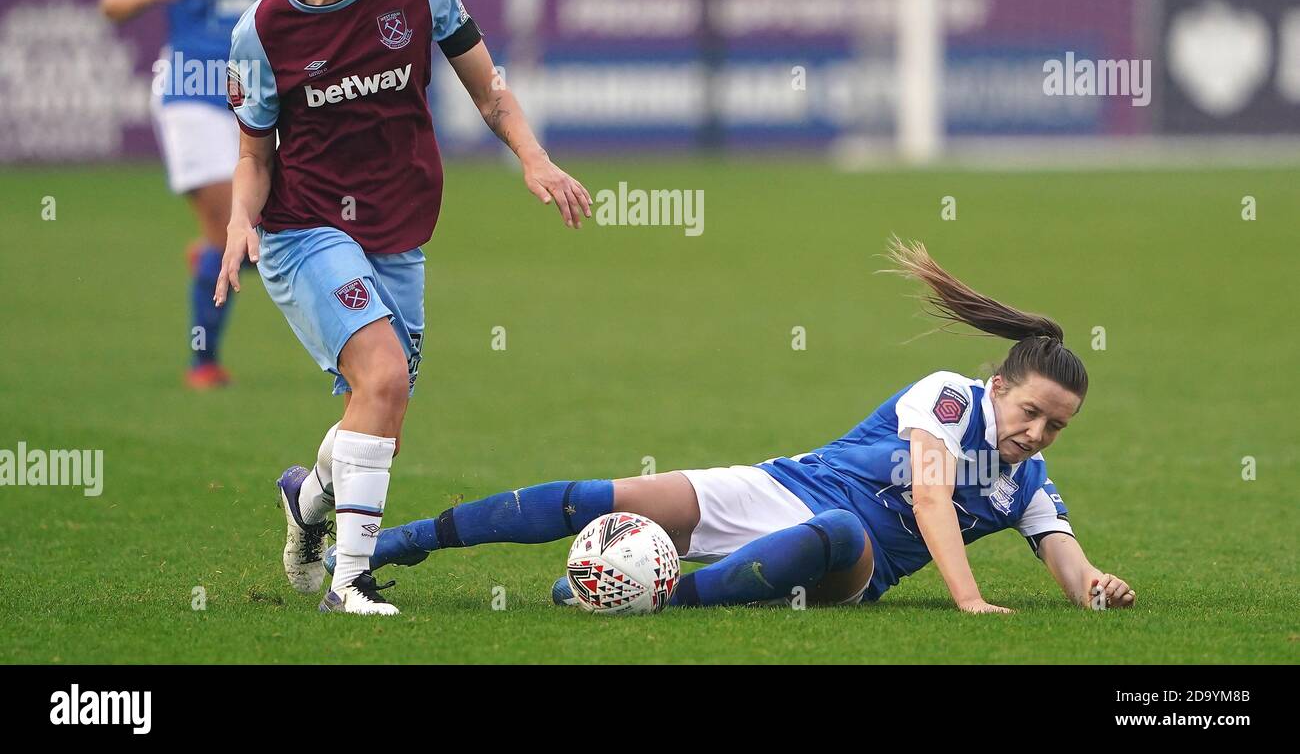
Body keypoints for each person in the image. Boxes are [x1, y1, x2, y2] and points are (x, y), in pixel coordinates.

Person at [329, 238, 1136, 613]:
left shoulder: (1026, 483)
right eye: (1031, 410)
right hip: (776, 485)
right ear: (999, 386)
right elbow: (930, 498)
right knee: (597, 495)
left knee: (833, 530)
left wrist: (1095, 586)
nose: (1038, 432)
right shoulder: (950, 399)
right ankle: (387, 546)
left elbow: (1067, 559)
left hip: (847, 560)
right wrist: (969, 600)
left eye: (1057, 426)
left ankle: (657, 595)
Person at [216, 0, 592, 616]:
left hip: (398, 226)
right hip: (304, 227)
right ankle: (348, 584)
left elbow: (489, 90)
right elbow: (256, 154)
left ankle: (307, 500)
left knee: (381, 409)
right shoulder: (262, 30)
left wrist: (534, 158)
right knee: (383, 378)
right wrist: (236, 221)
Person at [101, 0, 298, 389]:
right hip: (191, 89)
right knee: (233, 225)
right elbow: (112, 1)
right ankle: (202, 363)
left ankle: (208, 265)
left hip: (255, 94)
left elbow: (291, 4)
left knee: (268, 231)